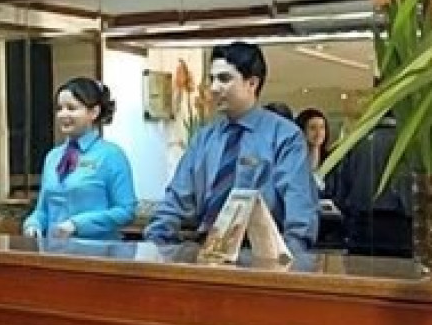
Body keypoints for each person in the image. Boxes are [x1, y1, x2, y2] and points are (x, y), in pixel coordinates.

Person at [143, 42, 319, 254]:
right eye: (212, 79)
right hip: (206, 253)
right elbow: (175, 200)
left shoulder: (284, 136)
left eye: (224, 79)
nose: (214, 87)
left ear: (252, 83)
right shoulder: (204, 139)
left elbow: (300, 214)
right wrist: (153, 245)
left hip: (261, 255)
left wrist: (287, 260)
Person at [23, 77, 137, 240]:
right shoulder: (53, 157)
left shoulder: (111, 155)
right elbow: (42, 209)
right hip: (53, 250)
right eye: (59, 108)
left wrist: (78, 224)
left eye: (71, 108)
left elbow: (126, 211)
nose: (63, 114)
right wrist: (33, 224)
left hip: (96, 251)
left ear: (94, 112)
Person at [330, 111, 413, 257]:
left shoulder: (355, 141)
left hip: (361, 225)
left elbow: (339, 189)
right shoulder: (409, 141)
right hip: (400, 225)